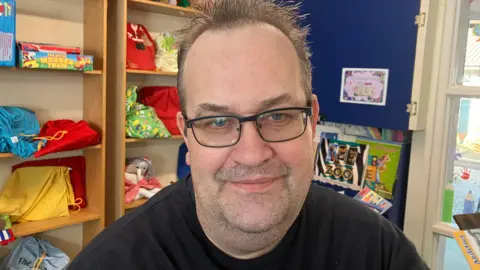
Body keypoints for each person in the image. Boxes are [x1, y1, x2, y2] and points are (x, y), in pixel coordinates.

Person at [69, 0, 429, 269]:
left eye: (278, 115)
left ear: (313, 121)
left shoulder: (378, 251)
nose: (253, 154)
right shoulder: (113, 262)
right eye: (218, 122)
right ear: (186, 137)